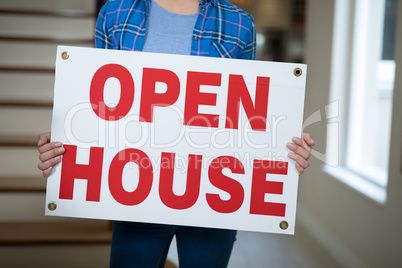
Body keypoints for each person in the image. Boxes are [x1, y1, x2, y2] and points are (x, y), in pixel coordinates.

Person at [38, 0, 315, 267]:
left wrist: (281, 153)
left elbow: (245, 121)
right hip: (134, 191)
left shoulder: (240, 23)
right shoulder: (115, 13)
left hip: (213, 197)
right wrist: (70, 141)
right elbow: (101, 108)